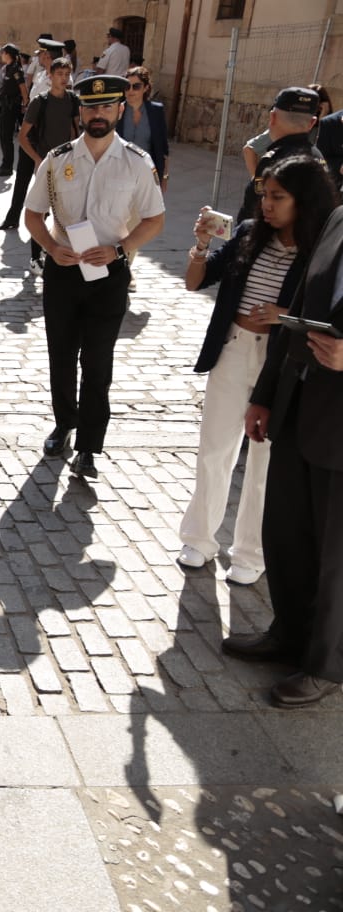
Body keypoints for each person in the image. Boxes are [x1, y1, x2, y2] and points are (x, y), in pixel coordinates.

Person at [179, 155, 336, 588]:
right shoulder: (249, 234)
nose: (266, 204)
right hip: (232, 349)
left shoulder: (320, 248)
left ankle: (251, 552)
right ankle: (199, 537)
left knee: (265, 460)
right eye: (264, 195)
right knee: (214, 447)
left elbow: (321, 310)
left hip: (280, 360)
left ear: (302, 200)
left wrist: (284, 314)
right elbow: (197, 281)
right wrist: (200, 244)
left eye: (278, 197)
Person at [23, 75, 165, 480]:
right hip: (64, 271)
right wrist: (52, 248)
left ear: (121, 109)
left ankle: (89, 445)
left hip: (109, 273)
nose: (97, 114)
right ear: (80, 112)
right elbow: (33, 214)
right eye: (90, 107)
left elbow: (155, 219)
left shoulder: (138, 163)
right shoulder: (57, 159)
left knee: (99, 361)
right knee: (61, 356)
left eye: (106, 107)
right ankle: (65, 423)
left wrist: (119, 249)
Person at [231, 197, 343, 707]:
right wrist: (265, 393)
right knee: (286, 531)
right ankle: (289, 634)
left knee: (336, 556)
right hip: (301, 405)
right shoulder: (338, 216)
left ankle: (326, 666)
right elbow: (300, 304)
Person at [0, 56, 79, 273]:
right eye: (59, 74)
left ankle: (68, 253)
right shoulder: (40, 102)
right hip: (46, 165)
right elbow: (23, 137)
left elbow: (75, 129)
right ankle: (35, 259)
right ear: (50, 76)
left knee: (69, 210)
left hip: (68, 164)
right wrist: (39, 160)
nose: (63, 78)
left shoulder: (72, 100)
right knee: (40, 211)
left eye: (67, 74)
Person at [238, 87, 322, 222]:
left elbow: (253, 213)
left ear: (272, 117)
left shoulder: (272, 161)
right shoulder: (319, 157)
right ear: (312, 123)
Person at [116, 66, 169, 192]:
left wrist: (164, 177)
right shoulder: (116, 111)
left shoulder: (156, 111)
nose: (130, 91)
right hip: (120, 175)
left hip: (148, 174)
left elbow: (164, 149)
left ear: (145, 88)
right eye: (127, 86)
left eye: (136, 86)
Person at [0, 44, 27, 177]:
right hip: (6, 106)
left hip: (12, 106)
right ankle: (5, 163)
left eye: (2, 52)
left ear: (8, 54)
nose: (1, 55)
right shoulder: (8, 68)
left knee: (6, 136)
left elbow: (23, 88)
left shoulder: (15, 69)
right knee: (3, 135)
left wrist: (26, 104)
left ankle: (7, 166)